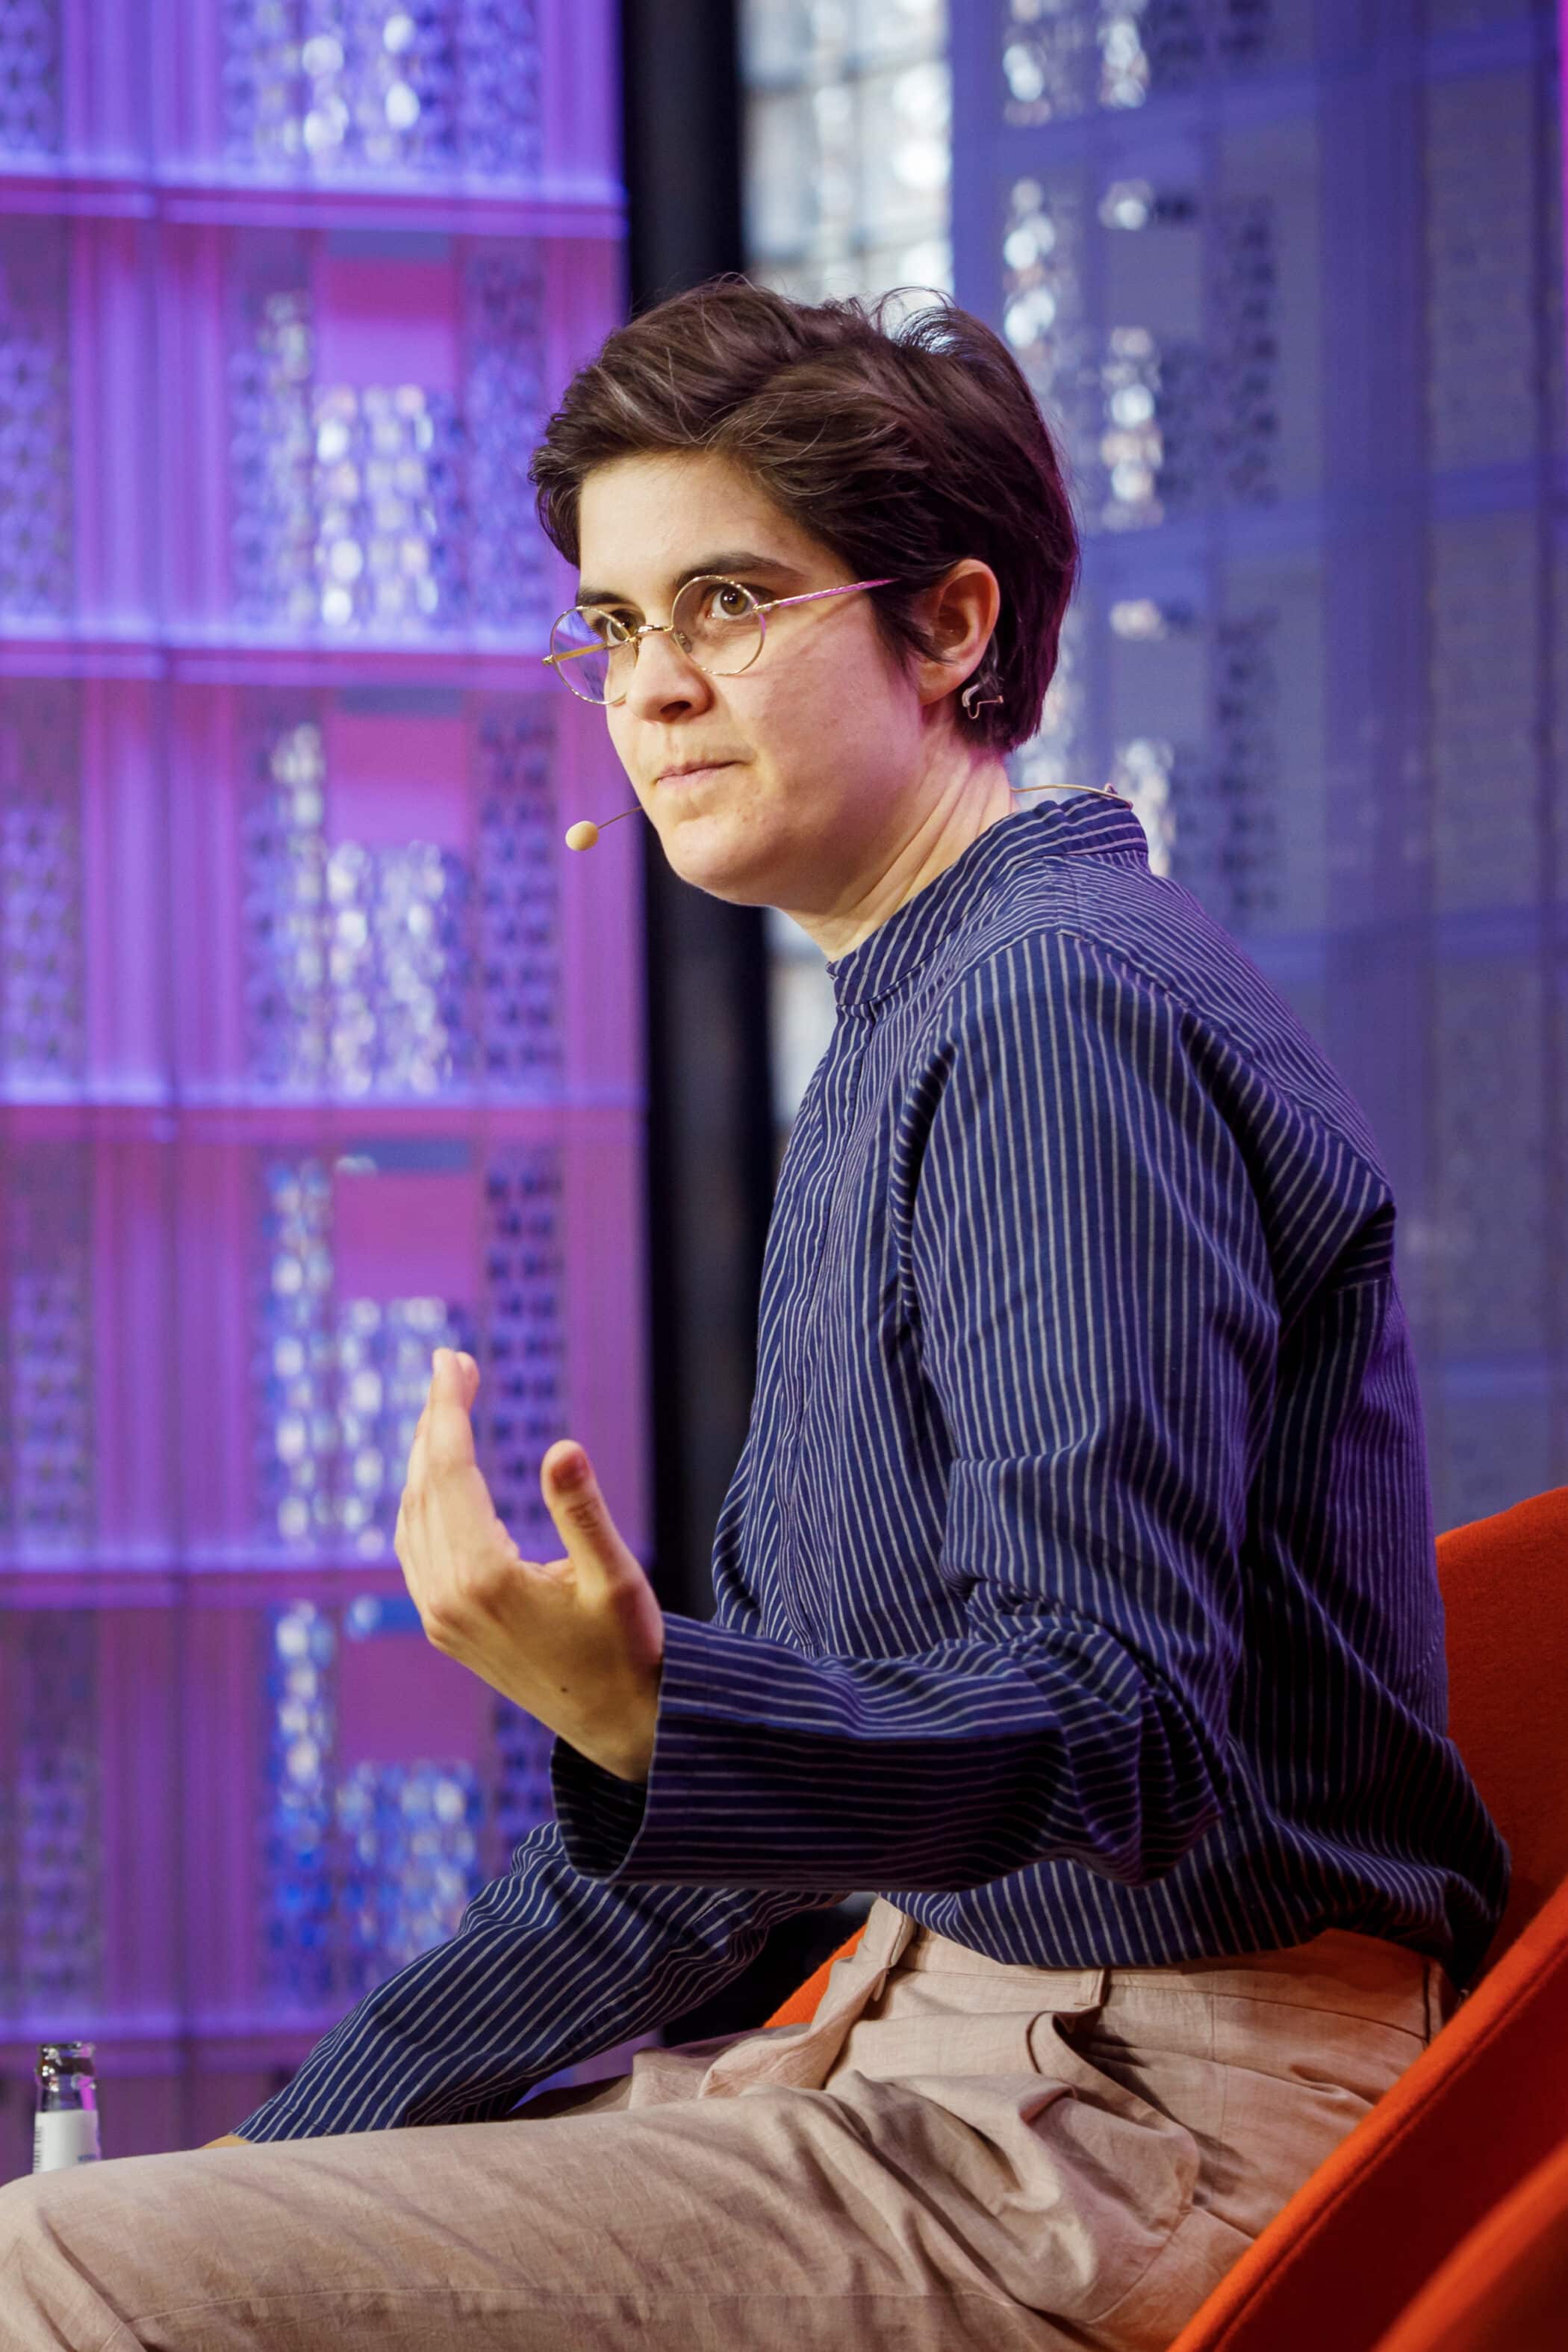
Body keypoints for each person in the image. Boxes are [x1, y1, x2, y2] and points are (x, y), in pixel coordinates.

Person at [0, 281, 1507, 2351]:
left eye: (727, 600)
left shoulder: (1053, 1012)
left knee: (52, 2268)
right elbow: (703, 1860)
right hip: (949, 2061)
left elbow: (1120, 1732)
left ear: (952, 625)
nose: (653, 689)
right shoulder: (923, 1018)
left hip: (1142, 2127)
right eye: (614, 627)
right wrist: (286, 2159)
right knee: (148, 2233)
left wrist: (655, 1716)